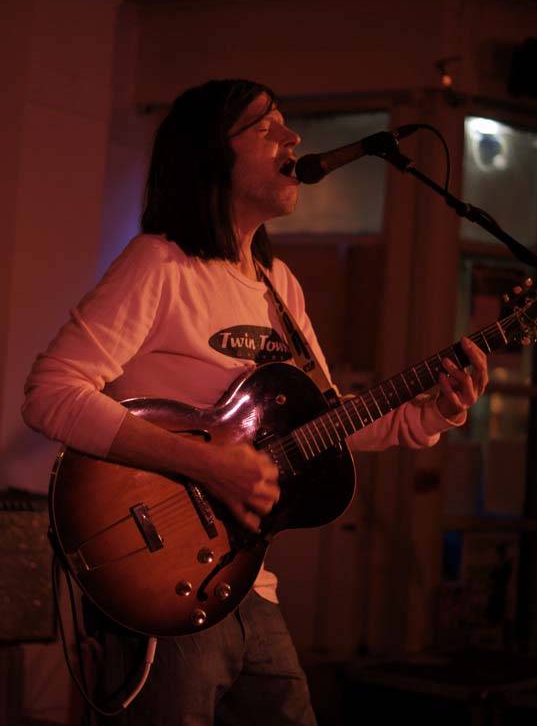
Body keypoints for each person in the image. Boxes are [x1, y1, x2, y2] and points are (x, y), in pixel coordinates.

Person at [22, 78, 489, 726]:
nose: (293, 138)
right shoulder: (161, 264)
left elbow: (327, 422)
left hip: (248, 584)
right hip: (162, 578)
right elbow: (51, 394)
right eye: (265, 125)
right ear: (211, 152)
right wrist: (209, 465)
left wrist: (431, 414)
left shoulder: (279, 286)